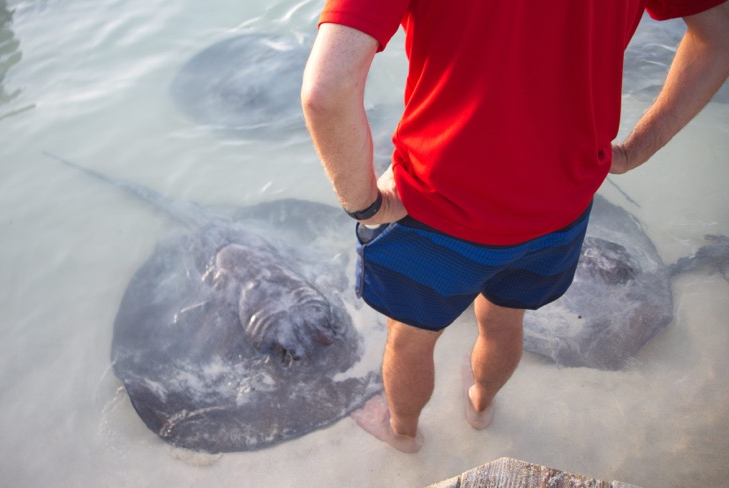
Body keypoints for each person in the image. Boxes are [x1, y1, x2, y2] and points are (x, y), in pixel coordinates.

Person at [301, 0, 729, 453]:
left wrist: (366, 205)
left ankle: (403, 431)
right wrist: (637, 149)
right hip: (560, 209)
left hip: (437, 210)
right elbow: (716, 35)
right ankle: (481, 404)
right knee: (505, 323)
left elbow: (325, 92)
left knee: (410, 342)